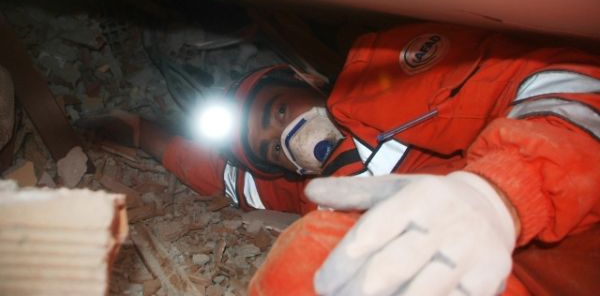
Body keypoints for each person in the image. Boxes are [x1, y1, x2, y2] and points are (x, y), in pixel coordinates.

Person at [83, 22, 600, 295]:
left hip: (570, 229)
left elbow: (561, 84)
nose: (287, 137)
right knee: (305, 265)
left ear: (309, 82)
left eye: (279, 110)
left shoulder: (388, 87)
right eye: (272, 148)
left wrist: (497, 193)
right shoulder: (307, 189)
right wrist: (142, 133)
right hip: (461, 281)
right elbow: (222, 177)